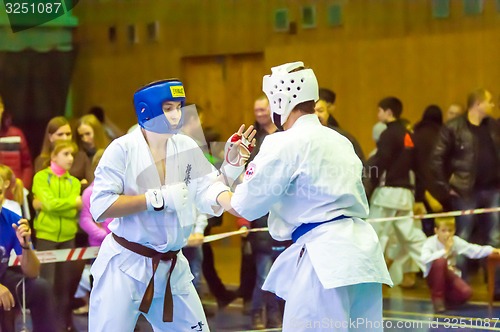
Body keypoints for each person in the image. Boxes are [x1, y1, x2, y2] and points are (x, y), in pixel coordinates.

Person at [216, 62, 392, 331]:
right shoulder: (339, 140)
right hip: (362, 257)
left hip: (324, 261)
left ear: (281, 100)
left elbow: (244, 206)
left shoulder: (284, 142)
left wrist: (217, 189)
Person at [89, 79, 249, 331]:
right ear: (146, 110)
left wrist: (231, 169)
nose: (177, 115)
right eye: (168, 108)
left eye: (179, 107)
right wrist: (156, 199)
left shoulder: (185, 145)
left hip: (172, 268)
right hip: (124, 267)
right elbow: (100, 206)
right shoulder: (121, 149)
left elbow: (207, 191)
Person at [429, 88, 500, 280]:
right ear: (478, 104)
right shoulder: (453, 127)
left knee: (495, 238)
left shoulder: (494, 126)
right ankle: (460, 284)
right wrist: (446, 188)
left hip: (493, 189)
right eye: (489, 101)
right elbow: (436, 159)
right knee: (462, 238)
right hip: (465, 191)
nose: (493, 105)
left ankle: (496, 286)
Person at [32, 139, 82, 331]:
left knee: (64, 286)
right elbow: (50, 204)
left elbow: (70, 211)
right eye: (66, 154)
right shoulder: (40, 178)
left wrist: (53, 205)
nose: (70, 158)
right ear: (54, 156)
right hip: (47, 236)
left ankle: (61, 326)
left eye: (72, 155)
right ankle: (45, 326)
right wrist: (71, 202)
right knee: (46, 285)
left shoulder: (74, 181)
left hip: (68, 236)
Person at [0, 176, 57, 332]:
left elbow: (33, 272)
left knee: (40, 288)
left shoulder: (13, 220)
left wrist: (25, 246)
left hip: (3, 278)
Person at [421, 216, 500, 312]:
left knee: (466, 293)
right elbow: (424, 259)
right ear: (436, 231)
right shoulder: (430, 242)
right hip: (433, 276)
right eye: (443, 230)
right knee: (440, 261)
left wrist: (492, 250)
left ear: (454, 230)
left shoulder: (455, 241)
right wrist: (445, 250)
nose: (447, 234)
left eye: (450, 230)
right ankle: (437, 299)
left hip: (450, 274)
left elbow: (473, 250)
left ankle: (447, 298)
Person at [34, 116, 93, 187]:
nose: (65, 138)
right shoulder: (42, 160)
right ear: (50, 137)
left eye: (68, 134)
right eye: (60, 134)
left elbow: (91, 185)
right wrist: (79, 184)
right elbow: (43, 187)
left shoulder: (81, 157)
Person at [314, 89, 365, 162]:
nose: (317, 115)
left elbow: (360, 165)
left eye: (320, 111)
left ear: (328, 113)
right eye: (312, 111)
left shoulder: (343, 137)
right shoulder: (299, 138)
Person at [0, 95, 33, 190]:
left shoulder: (16, 134)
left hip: (13, 195)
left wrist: (22, 188)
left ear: (2, 109)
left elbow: (27, 166)